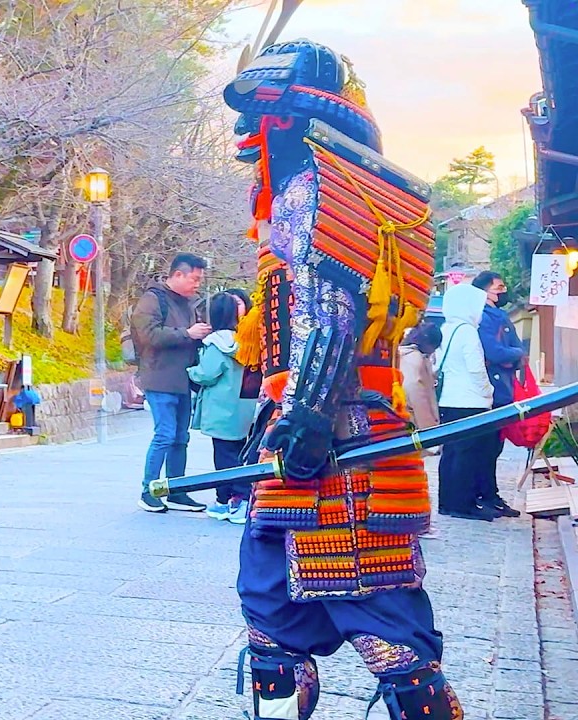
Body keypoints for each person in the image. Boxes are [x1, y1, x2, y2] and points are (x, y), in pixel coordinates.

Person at [223, 40, 463, 719]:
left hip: (334, 437)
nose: (250, 140)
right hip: (326, 431)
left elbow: (327, 318)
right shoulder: (355, 190)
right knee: (270, 613)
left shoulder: (320, 189)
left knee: (384, 621)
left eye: (261, 123)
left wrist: (302, 419)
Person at [130, 252, 211, 513]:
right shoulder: (153, 299)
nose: (197, 284)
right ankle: (148, 490)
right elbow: (148, 335)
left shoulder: (190, 303)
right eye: (194, 278)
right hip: (159, 377)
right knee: (164, 435)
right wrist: (186, 333)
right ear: (177, 274)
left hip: (183, 379)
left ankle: (176, 490)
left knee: (180, 438)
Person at [191, 291, 257, 524]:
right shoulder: (246, 341)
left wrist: (191, 372)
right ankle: (233, 499)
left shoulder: (216, 343)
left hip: (221, 409)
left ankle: (237, 499)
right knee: (241, 453)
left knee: (224, 456)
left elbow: (207, 373)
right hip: (244, 407)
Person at [436, 282, 498, 522]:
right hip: (471, 401)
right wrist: (488, 391)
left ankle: (447, 502)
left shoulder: (447, 328)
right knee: (469, 454)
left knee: (451, 452)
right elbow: (476, 369)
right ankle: (464, 504)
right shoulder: (468, 332)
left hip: (449, 399)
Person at [471, 271, 525, 517]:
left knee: (494, 446)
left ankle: (489, 493)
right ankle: (486, 494)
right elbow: (496, 352)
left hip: (502, 386)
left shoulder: (497, 315)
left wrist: (514, 354)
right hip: (493, 389)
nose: (504, 291)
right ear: (484, 291)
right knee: (487, 446)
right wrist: (515, 354)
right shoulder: (485, 317)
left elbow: (513, 349)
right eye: (499, 287)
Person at [398, 321, 442, 433]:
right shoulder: (415, 360)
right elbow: (416, 393)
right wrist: (429, 429)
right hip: (418, 426)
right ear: (429, 344)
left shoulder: (403, 354)